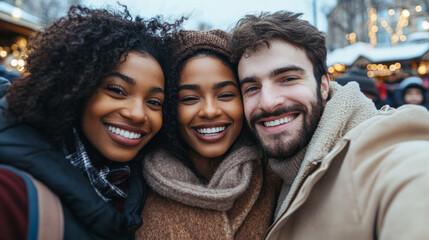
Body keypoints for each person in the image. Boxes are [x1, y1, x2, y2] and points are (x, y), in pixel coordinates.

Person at [230, 11, 429, 239]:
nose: (268, 102)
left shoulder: (383, 154)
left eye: (288, 79)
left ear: (324, 86)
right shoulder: (260, 179)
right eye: (252, 88)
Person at [0, 6, 178, 240]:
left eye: (154, 102)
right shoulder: (11, 192)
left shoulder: (139, 189)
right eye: (117, 90)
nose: (137, 114)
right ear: (75, 88)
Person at [136, 29, 280, 239]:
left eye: (225, 95)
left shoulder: (276, 173)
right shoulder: (135, 186)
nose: (210, 111)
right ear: (169, 108)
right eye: (189, 98)